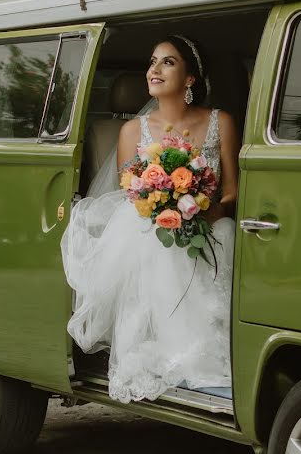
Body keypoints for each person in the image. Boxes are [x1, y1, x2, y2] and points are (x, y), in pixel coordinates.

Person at [62, 35, 239, 403]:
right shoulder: (132, 131)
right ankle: (177, 354)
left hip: (210, 221)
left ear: (190, 78)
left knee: (224, 237)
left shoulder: (221, 122)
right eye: (152, 61)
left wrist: (204, 208)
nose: (154, 70)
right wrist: (168, 208)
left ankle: (217, 354)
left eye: (168, 62)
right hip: (153, 226)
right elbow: (134, 193)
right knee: (157, 247)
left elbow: (232, 189)